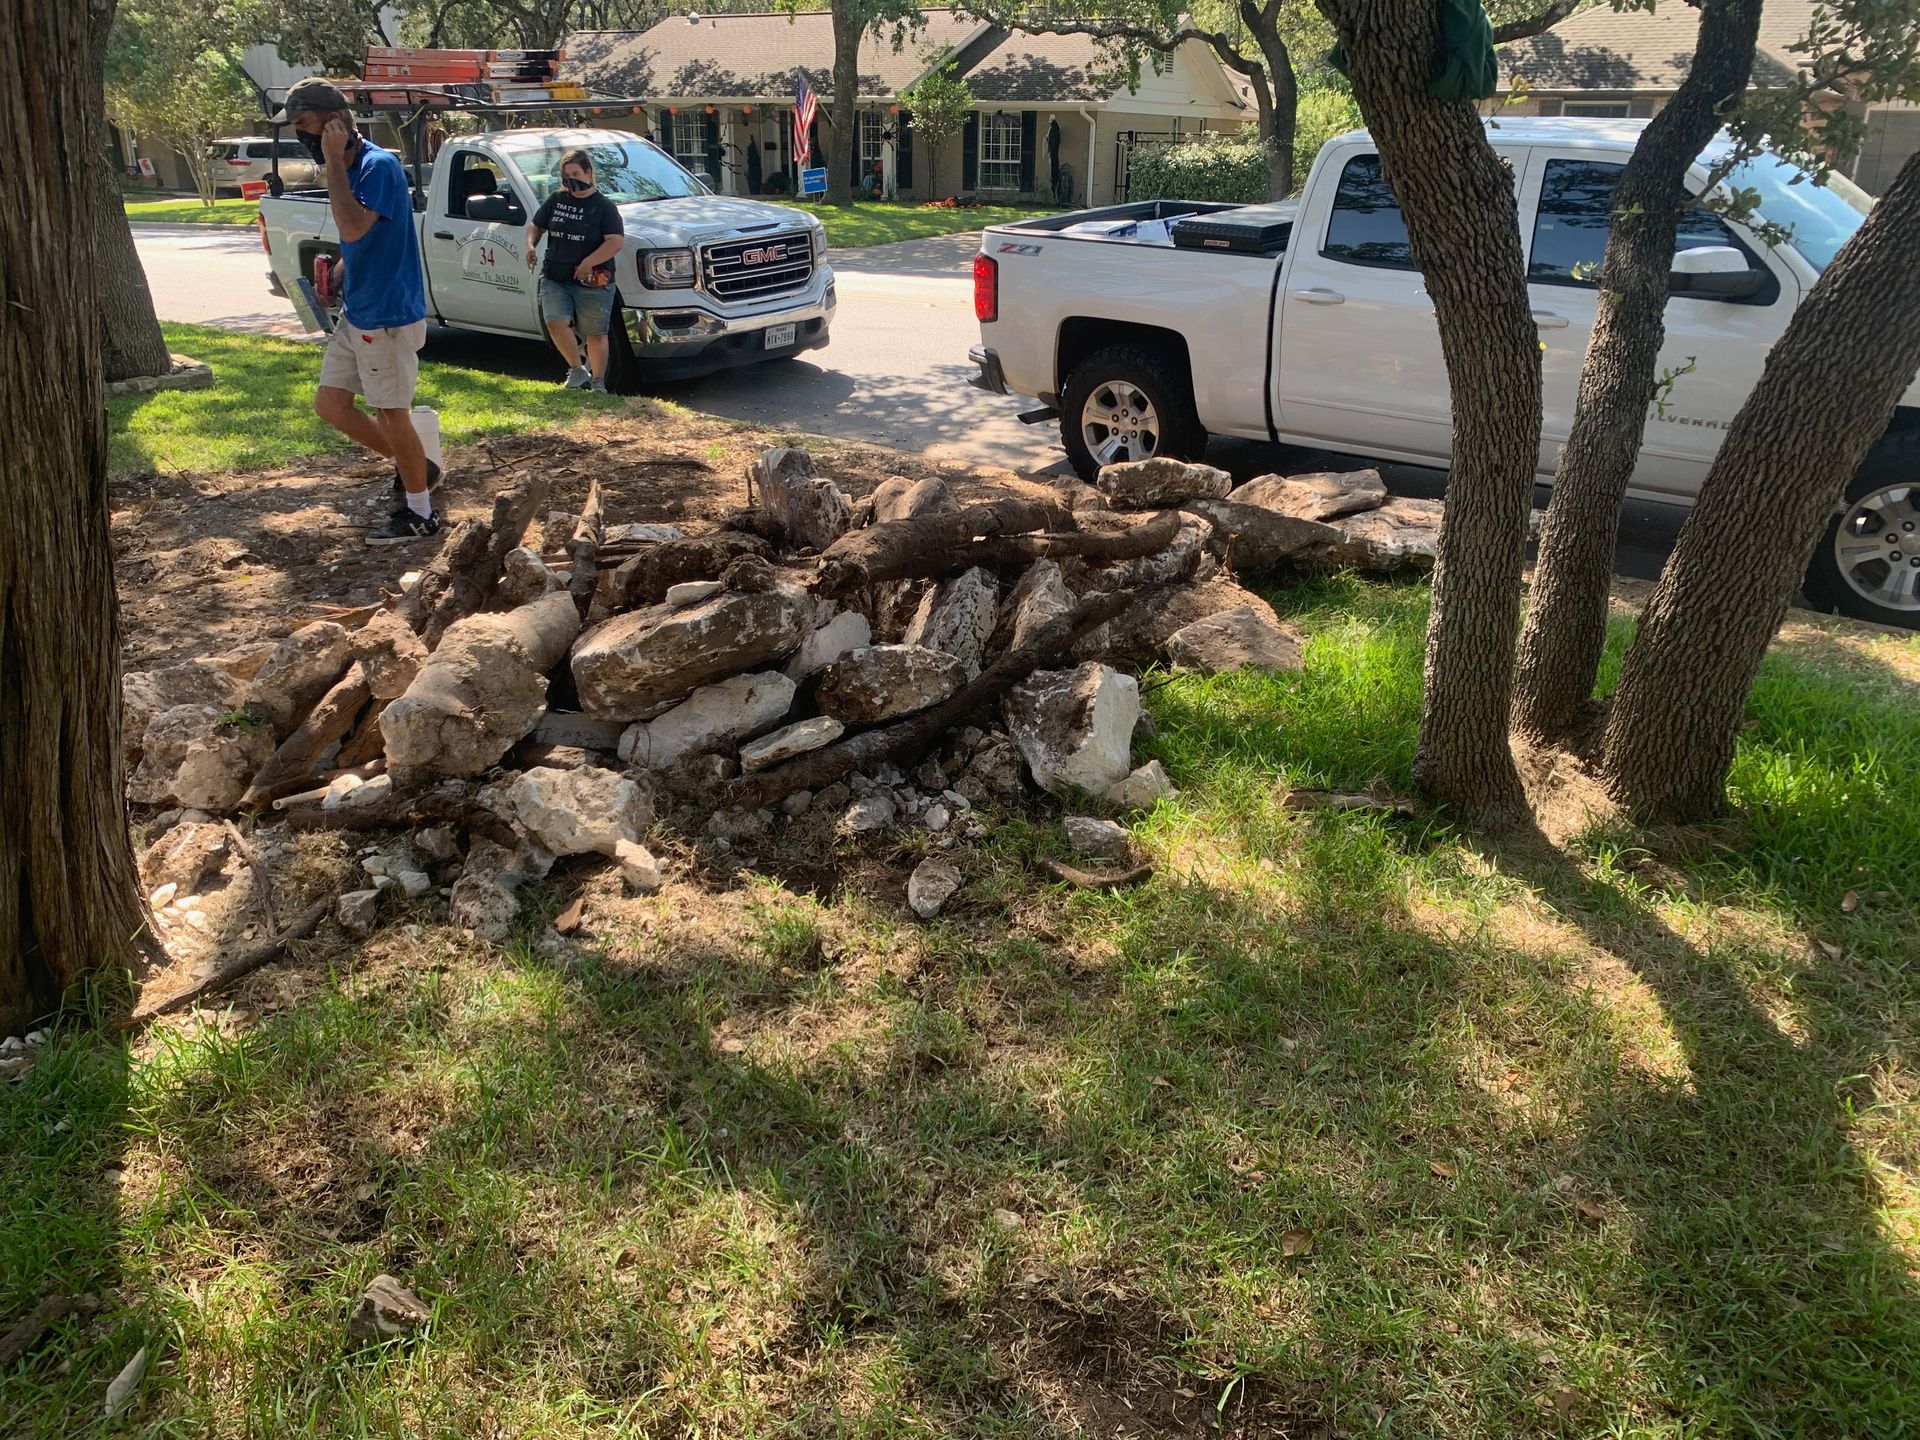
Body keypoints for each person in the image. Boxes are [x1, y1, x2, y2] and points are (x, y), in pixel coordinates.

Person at [272, 77, 441, 545]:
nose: (299, 135)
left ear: (335, 122)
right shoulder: (350, 168)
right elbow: (362, 236)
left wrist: (331, 164)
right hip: (359, 311)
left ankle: (420, 513)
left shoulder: (377, 166)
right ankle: (418, 469)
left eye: (305, 124)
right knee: (331, 405)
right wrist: (343, 271)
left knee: (392, 413)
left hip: (386, 315)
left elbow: (350, 221)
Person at [526, 149, 626, 392]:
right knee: (555, 323)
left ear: (589, 173)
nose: (571, 179)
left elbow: (615, 241)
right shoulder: (556, 200)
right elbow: (536, 225)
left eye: (576, 173)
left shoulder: (604, 207)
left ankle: (599, 382)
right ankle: (577, 368)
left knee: (595, 332)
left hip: (594, 280)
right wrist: (531, 245)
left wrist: (588, 262)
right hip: (555, 276)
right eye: (566, 174)